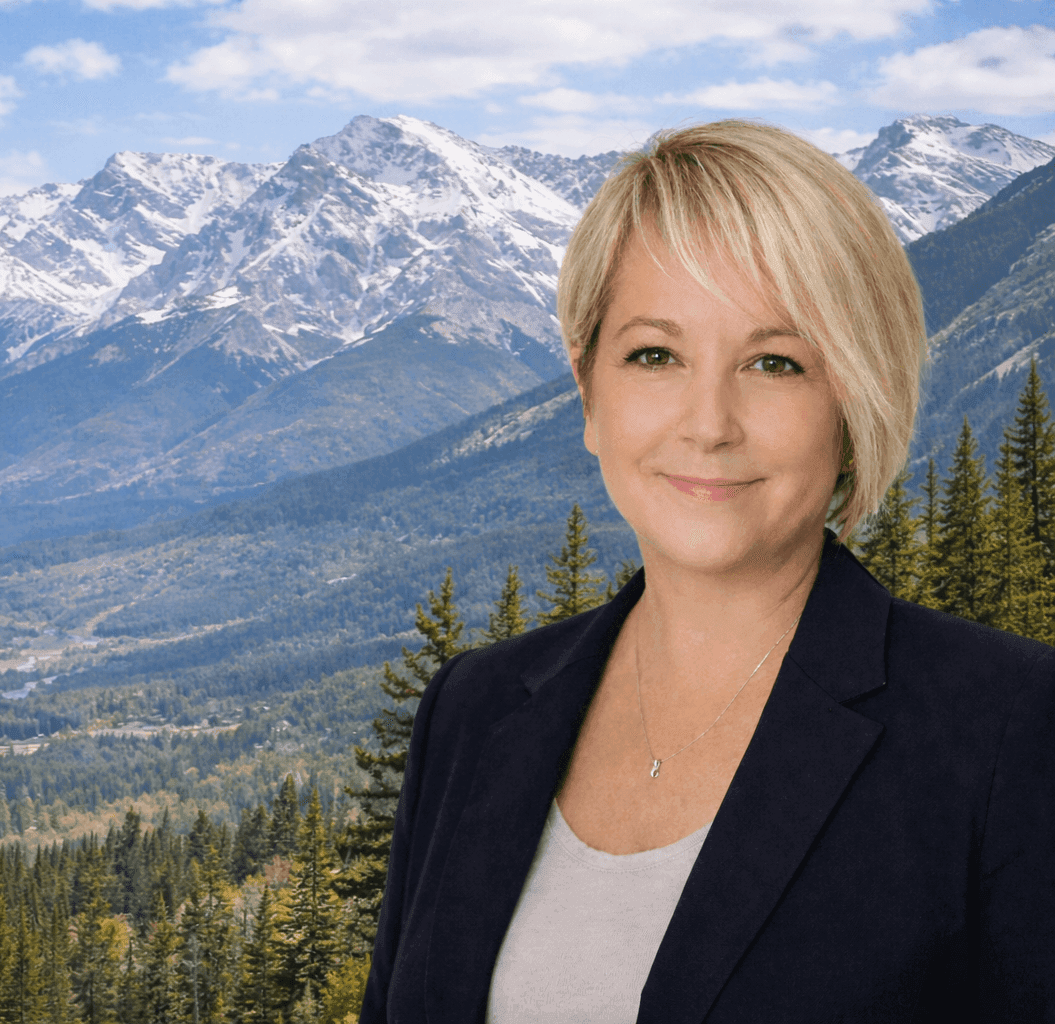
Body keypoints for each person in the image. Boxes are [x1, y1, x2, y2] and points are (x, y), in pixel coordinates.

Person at [359, 121, 1055, 1023]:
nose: (709, 423)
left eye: (775, 363)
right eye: (655, 355)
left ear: (855, 399)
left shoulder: (1010, 731)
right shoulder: (473, 710)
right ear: (588, 389)